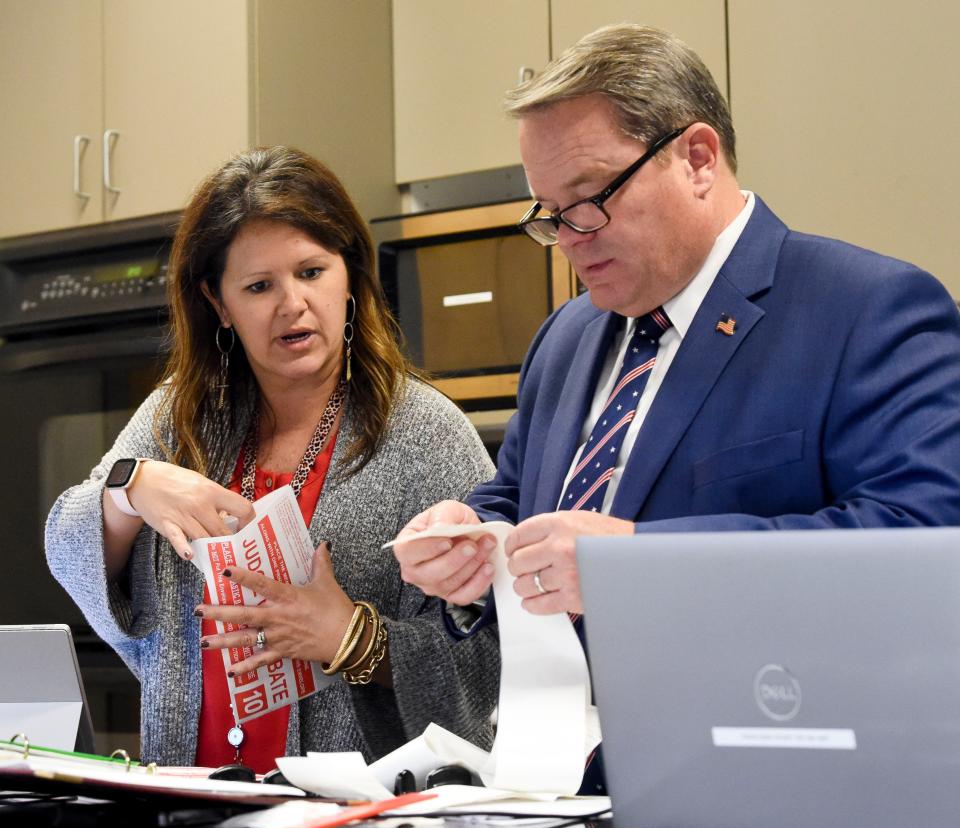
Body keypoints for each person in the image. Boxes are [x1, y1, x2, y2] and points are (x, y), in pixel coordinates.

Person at [394, 23, 960, 624]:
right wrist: (474, 535)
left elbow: (925, 534)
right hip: (557, 715)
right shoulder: (565, 337)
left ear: (697, 159)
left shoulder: (867, 309)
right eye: (551, 213)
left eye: (591, 197)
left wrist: (638, 566)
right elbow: (522, 496)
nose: (568, 240)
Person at [45, 146, 498, 772]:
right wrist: (132, 487)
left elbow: (491, 663)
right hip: (186, 803)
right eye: (259, 286)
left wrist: (352, 638)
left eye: (312, 272)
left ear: (351, 278)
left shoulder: (425, 433)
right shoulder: (176, 418)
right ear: (220, 304)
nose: (292, 304)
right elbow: (66, 542)